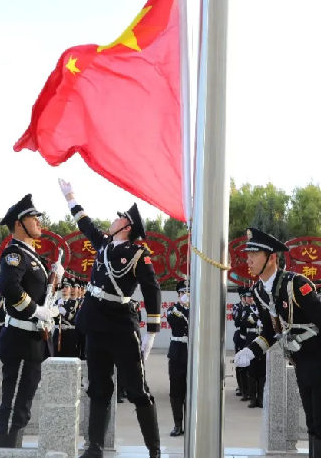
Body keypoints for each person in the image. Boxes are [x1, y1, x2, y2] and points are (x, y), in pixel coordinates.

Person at [57, 178, 162, 459]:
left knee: (137, 390)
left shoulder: (138, 254)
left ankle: (154, 450)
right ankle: (94, 447)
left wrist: (151, 332)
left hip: (121, 328)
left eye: (120, 218)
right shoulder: (103, 244)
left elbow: (152, 289)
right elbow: (85, 224)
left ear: (127, 227)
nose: (114, 219)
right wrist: (70, 197)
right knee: (98, 388)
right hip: (96, 325)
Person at [233, 228, 321, 458]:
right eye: (248, 255)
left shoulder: (295, 284)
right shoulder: (259, 290)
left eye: (254, 254)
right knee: (312, 423)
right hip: (302, 361)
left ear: (271, 258)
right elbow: (270, 330)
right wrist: (251, 351)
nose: (249, 260)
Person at [0, 194, 64, 448]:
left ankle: (12, 449)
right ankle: (4, 451)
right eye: (34, 218)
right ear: (19, 224)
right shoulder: (14, 254)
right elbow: (9, 287)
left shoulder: (32, 256)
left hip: (33, 340)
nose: (39, 222)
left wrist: (55, 280)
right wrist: (35, 311)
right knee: (13, 406)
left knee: (23, 406)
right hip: (20, 340)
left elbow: (39, 291)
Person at [166, 280, 189, 437]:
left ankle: (190, 423)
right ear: (178, 295)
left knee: (190, 391)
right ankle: (177, 424)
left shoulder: (196, 310)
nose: (186, 295)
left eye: (188, 293)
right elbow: (173, 321)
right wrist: (183, 306)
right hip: (177, 353)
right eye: (183, 293)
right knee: (176, 390)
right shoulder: (173, 310)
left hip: (191, 353)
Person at [242, 290, 265, 408]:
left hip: (263, 340)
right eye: (250, 297)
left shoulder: (264, 309)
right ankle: (252, 398)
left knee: (262, 371)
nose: (252, 299)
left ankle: (261, 398)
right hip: (251, 340)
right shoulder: (246, 309)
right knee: (251, 370)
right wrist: (255, 317)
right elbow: (243, 323)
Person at [232, 290, 249, 399]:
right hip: (240, 336)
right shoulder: (237, 307)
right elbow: (236, 319)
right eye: (244, 297)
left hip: (249, 335)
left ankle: (249, 388)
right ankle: (241, 387)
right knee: (240, 363)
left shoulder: (252, 307)